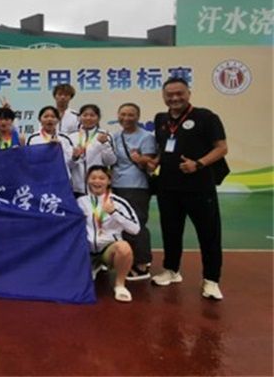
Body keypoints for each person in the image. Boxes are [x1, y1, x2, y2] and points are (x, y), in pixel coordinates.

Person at [149, 77, 228, 300]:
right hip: (168, 187)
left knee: (209, 234)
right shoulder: (161, 119)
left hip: (199, 187)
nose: (174, 98)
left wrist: (198, 164)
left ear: (188, 94)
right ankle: (171, 270)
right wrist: (155, 161)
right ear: (163, 96)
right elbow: (163, 147)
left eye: (179, 93)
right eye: (169, 94)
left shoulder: (206, 117)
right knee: (170, 231)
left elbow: (221, 148)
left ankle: (211, 280)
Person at [77, 166, 140, 303]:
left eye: (102, 178)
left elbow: (135, 229)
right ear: (87, 180)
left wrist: (114, 213)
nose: (97, 181)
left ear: (109, 181)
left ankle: (120, 285)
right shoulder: (80, 202)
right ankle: (92, 265)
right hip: (86, 250)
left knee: (124, 248)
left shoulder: (118, 202)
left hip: (107, 250)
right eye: (93, 178)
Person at [111, 103, 157, 281]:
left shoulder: (146, 137)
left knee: (136, 223)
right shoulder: (115, 136)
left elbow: (151, 163)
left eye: (131, 115)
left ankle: (142, 263)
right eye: (123, 114)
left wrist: (141, 159)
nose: (126, 118)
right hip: (116, 185)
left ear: (138, 117)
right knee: (121, 224)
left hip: (136, 186)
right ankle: (127, 259)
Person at [68, 104, 116, 197]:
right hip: (76, 187)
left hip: (98, 185)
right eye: (85, 115)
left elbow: (110, 161)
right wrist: (75, 157)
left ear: (98, 118)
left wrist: (104, 145)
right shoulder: (71, 137)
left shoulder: (105, 135)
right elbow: (68, 165)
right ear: (79, 118)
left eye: (92, 115)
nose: (88, 118)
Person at [26, 106, 74, 176]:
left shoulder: (64, 138)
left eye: (53, 117)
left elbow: (71, 163)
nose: (49, 119)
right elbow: (30, 160)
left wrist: (59, 149)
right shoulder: (33, 138)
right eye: (46, 116)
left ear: (58, 120)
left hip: (61, 177)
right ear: (39, 119)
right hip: (41, 177)